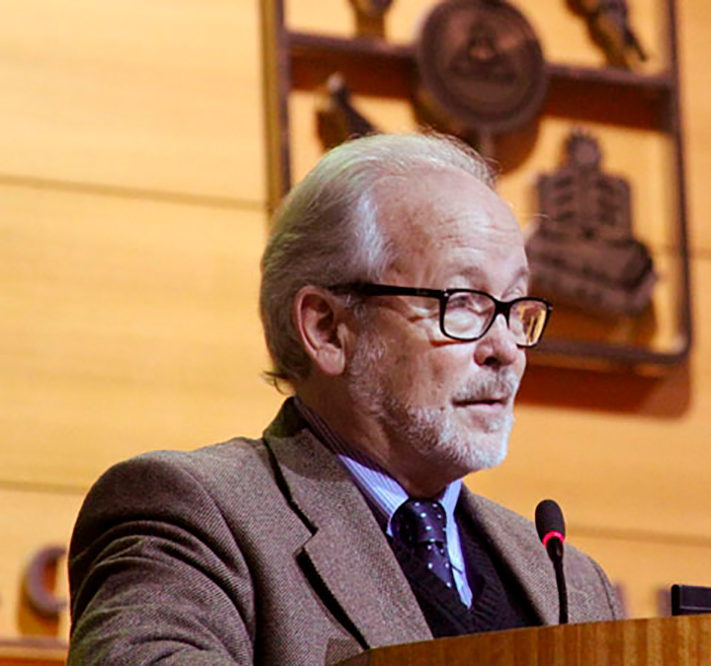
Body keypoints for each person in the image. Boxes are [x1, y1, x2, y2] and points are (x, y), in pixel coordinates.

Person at [67, 133, 622, 665]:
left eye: (516, 306)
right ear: (328, 329)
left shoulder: (572, 583)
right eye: (463, 302)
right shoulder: (193, 516)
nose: (505, 349)